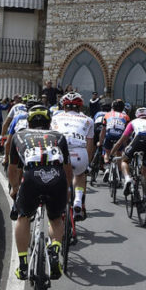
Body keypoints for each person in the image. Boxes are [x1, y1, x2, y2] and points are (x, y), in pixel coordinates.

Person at [7, 106, 73, 281]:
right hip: (56, 176)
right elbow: (67, 168)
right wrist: (67, 189)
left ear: (28, 122)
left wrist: (14, 189)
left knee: (23, 217)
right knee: (56, 218)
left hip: (31, 177)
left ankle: (22, 265)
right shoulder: (59, 136)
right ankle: (55, 248)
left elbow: (13, 169)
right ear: (49, 122)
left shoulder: (18, 136)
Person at [50, 92, 95, 220]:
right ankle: (78, 200)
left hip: (59, 151)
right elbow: (89, 146)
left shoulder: (55, 117)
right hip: (79, 152)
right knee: (80, 175)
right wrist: (88, 163)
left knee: (59, 179)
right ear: (80, 107)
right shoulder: (88, 120)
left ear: (64, 106)